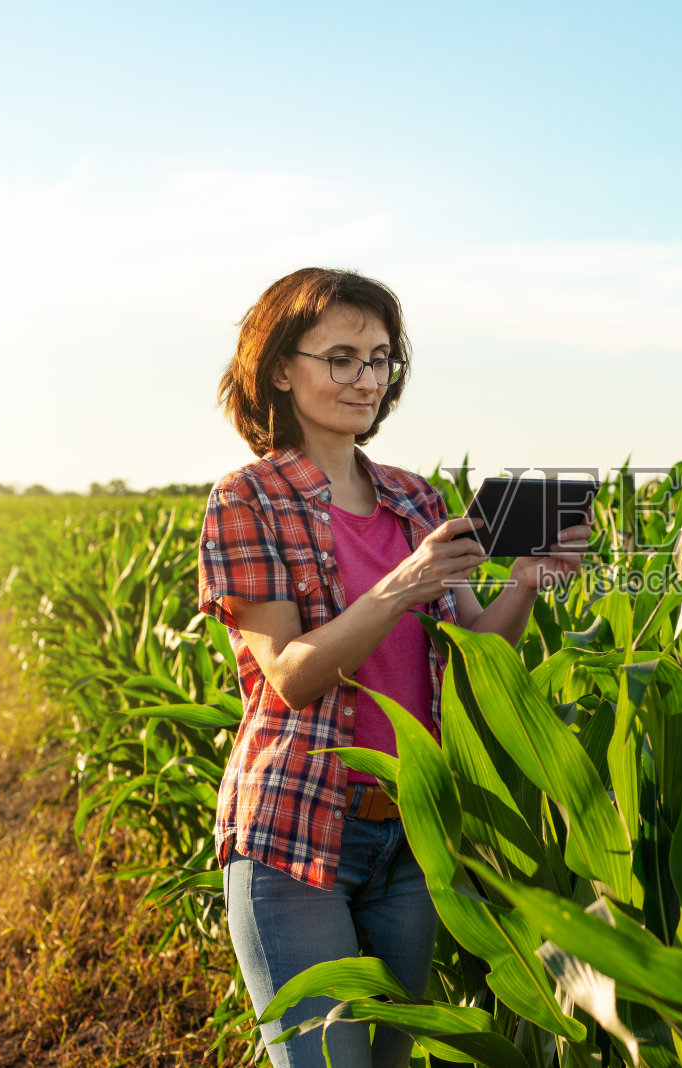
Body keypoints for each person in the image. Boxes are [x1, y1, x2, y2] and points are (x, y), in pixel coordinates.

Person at [197, 267, 589, 1068]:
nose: (365, 379)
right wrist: (405, 581)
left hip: (414, 834)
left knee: (392, 1062)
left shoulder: (414, 498)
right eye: (340, 357)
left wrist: (527, 580)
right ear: (280, 368)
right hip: (298, 830)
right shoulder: (248, 499)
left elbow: (476, 654)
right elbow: (292, 675)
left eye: (379, 359)